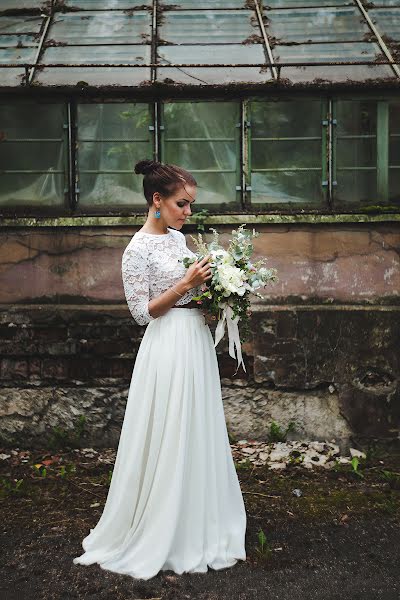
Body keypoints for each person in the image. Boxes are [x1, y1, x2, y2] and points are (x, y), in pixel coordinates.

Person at [72, 159, 247, 580]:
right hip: (167, 344)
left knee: (195, 426)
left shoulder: (177, 239)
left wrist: (223, 289)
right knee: (168, 427)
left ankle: (197, 518)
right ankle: (159, 526)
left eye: (190, 205)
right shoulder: (137, 250)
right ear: (157, 200)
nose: (188, 213)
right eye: (182, 204)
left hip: (195, 342)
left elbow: (195, 290)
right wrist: (185, 286)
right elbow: (141, 312)